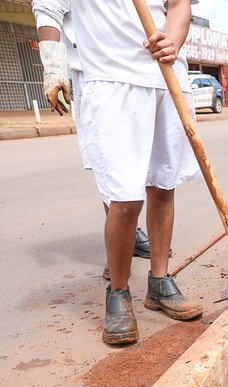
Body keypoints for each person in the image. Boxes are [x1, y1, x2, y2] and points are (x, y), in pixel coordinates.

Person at [37, 0, 204, 345]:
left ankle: (159, 282)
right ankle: (118, 292)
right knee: (124, 197)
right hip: (110, 79)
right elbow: (47, 8)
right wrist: (53, 66)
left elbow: (178, 5)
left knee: (162, 186)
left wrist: (172, 39)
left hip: (166, 75)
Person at [32, 0, 152, 280]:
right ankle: (120, 245)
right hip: (97, 77)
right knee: (112, 168)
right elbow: (48, 8)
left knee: (145, 171)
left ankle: (130, 233)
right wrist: (53, 68)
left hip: (143, 75)